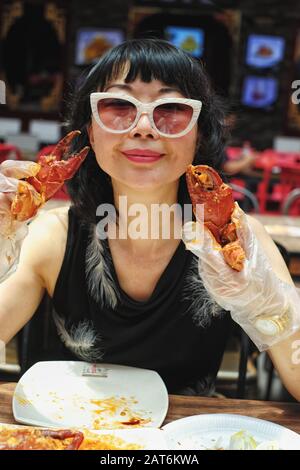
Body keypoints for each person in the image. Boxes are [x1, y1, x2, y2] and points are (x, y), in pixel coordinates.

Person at [0, 39, 300, 399]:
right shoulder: (53, 236)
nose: (144, 127)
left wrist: (268, 306)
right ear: (91, 132)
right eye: (118, 105)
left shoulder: (234, 239)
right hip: (72, 432)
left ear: (199, 133)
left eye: (171, 108)